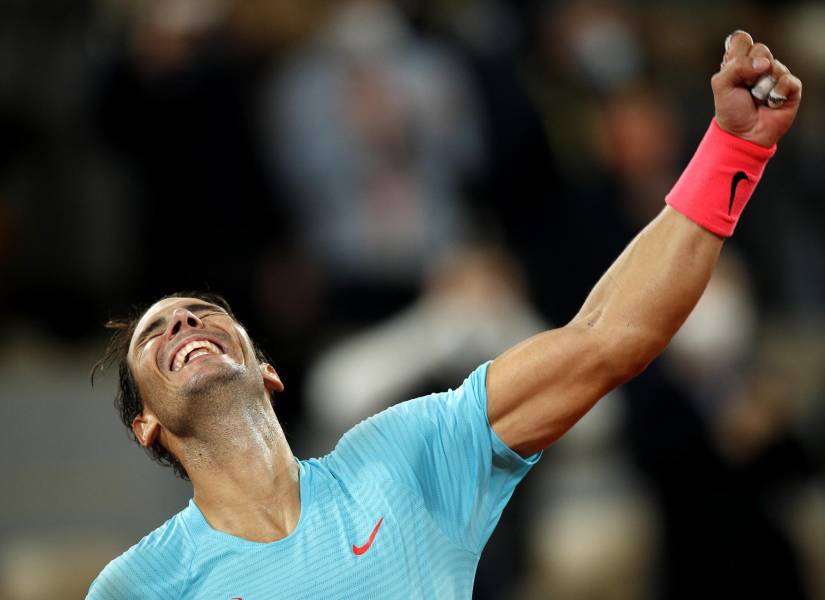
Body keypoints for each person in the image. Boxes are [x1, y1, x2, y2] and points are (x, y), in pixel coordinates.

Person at [87, 32, 801, 599]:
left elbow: (607, 338)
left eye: (202, 313)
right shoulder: (140, 585)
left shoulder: (405, 455)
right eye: (156, 332)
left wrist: (733, 149)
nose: (183, 322)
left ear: (267, 371)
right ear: (145, 425)